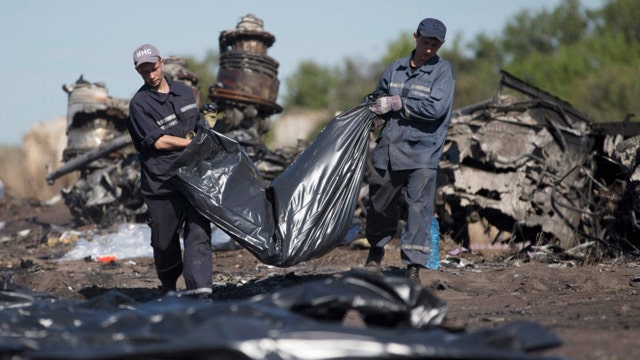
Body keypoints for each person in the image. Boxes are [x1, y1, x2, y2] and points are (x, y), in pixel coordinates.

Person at [364, 18, 455, 283]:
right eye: (426, 42)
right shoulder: (395, 68)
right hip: (389, 149)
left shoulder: (442, 71)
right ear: (415, 37)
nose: (429, 49)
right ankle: (375, 253)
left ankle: (413, 267)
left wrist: (397, 103)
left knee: (419, 209)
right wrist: (372, 110)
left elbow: (435, 109)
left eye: (435, 45)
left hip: (422, 153)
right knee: (379, 204)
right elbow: (379, 96)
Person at [127, 44, 213, 299]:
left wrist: (207, 133)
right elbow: (158, 142)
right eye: (144, 72)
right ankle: (168, 288)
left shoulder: (185, 93)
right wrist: (190, 143)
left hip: (192, 179)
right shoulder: (139, 105)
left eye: (152, 68)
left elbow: (198, 126)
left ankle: (201, 296)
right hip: (161, 185)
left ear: (161, 63)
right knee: (164, 244)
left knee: (198, 235)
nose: (150, 75)